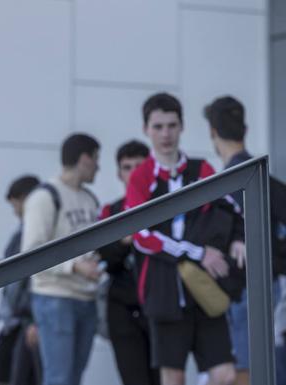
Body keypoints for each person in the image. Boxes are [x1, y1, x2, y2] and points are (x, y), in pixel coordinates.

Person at [127, 93, 242, 385]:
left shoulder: (201, 169)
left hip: (206, 290)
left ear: (182, 127)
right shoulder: (140, 178)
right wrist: (196, 252)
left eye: (171, 125)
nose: (165, 134)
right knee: (173, 378)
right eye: (158, 126)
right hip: (164, 292)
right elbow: (143, 236)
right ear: (146, 130)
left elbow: (233, 206)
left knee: (226, 375)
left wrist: (239, 239)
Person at [204, 95, 286, 385]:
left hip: (244, 290)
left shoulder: (226, 184)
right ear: (245, 129)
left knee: (245, 371)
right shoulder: (267, 180)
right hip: (268, 287)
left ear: (213, 132)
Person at [22, 133, 101, 385]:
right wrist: (75, 266)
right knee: (59, 378)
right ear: (85, 158)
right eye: (97, 159)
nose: (99, 166)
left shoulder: (90, 199)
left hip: (87, 299)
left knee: (73, 378)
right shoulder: (44, 197)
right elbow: (32, 254)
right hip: (54, 299)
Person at [98, 140, 159, 385]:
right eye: (127, 167)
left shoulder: (166, 205)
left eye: (139, 166)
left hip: (158, 305)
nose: (133, 172)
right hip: (122, 307)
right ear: (118, 173)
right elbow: (105, 260)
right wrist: (124, 241)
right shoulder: (110, 211)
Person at [0, 175, 41, 385]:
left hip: (24, 322)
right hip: (16, 321)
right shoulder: (22, 232)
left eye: (16, 206)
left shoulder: (35, 232)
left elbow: (36, 279)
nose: (15, 212)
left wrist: (33, 320)